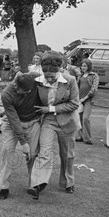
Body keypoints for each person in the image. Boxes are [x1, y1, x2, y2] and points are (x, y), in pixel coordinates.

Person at [30, 52, 80, 198]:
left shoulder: (70, 80)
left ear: (60, 69)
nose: (49, 77)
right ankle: (38, 184)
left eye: (52, 74)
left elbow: (74, 103)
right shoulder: (37, 80)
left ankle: (68, 182)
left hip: (67, 121)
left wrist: (51, 108)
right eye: (46, 74)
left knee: (67, 155)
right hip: (48, 121)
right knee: (44, 151)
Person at [0, 72, 43, 200]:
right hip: (12, 123)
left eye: (28, 92)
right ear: (16, 85)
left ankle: (33, 185)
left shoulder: (36, 77)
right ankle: (4, 187)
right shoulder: (6, 94)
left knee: (32, 154)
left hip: (33, 122)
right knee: (8, 151)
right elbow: (14, 120)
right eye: (23, 91)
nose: (25, 94)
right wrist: (23, 142)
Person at [75, 59, 99, 145]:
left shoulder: (94, 75)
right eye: (82, 66)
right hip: (79, 99)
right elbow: (76, 87)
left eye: (85, 66)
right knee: (79, 118)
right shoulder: (80, 76)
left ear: (89, 66)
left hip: (88, 99)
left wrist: (84, 98)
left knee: (85, 118)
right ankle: (80, 136)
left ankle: (87, 138)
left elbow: (94, 89)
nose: (83, 67)